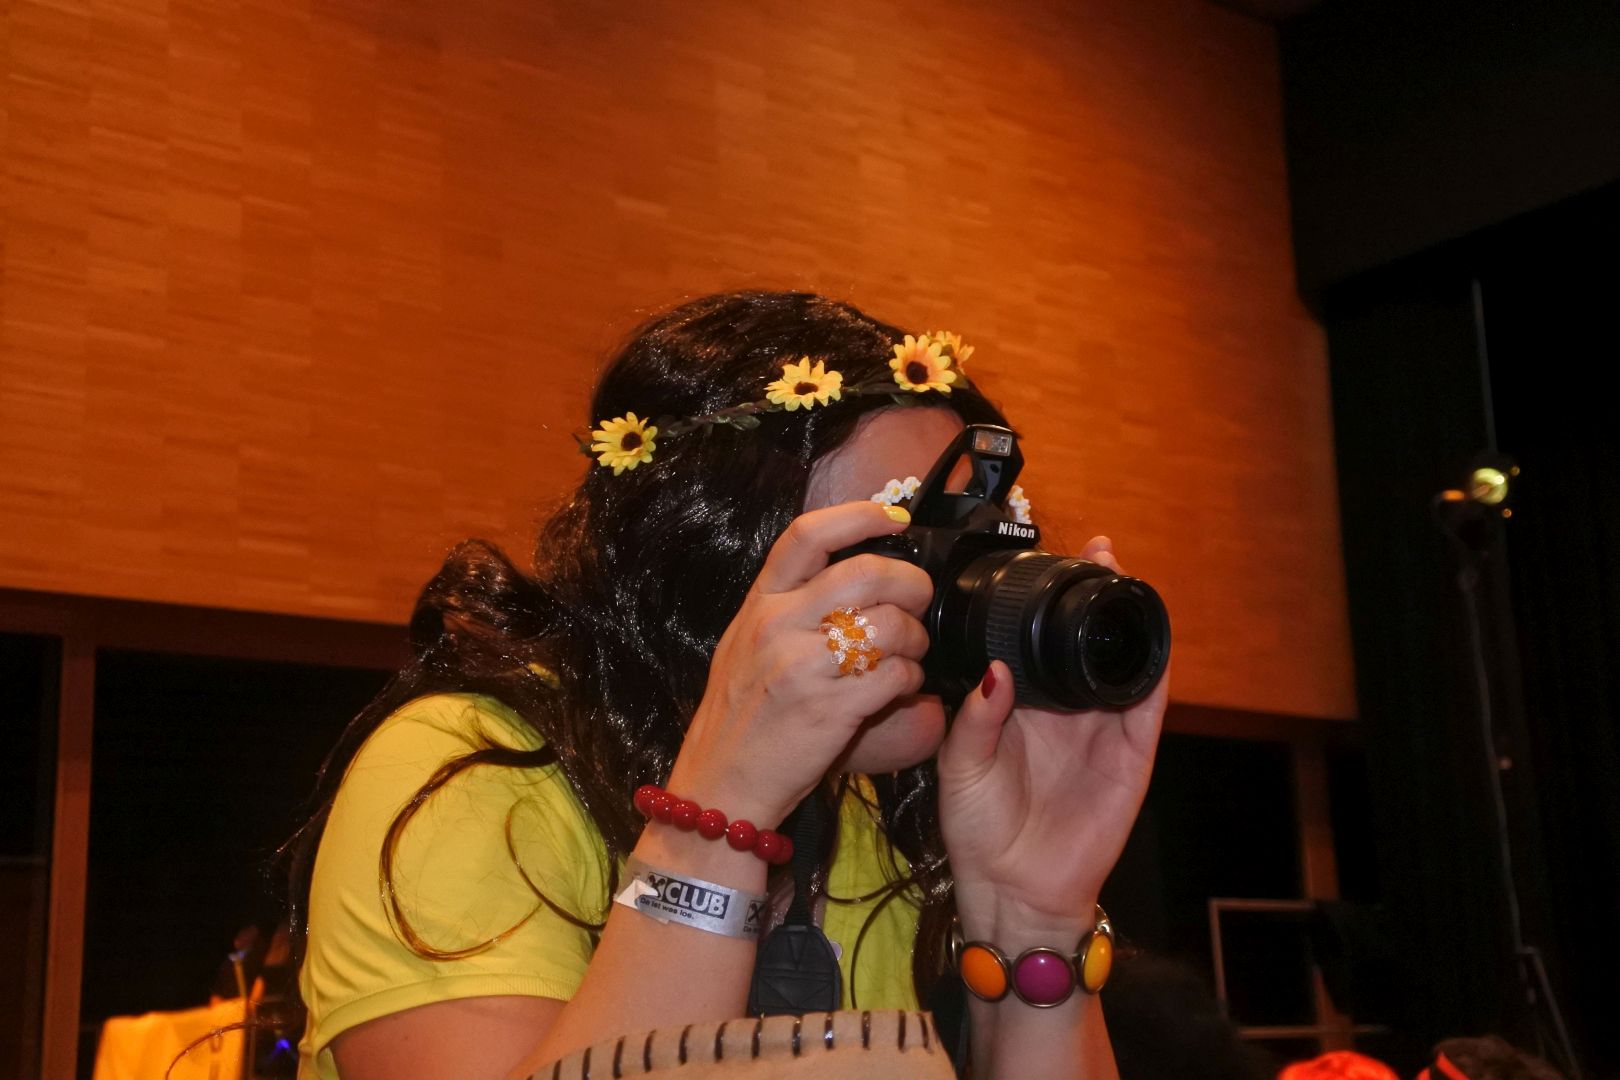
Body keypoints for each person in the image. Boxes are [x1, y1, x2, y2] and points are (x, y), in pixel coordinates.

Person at [286, 291, 1168, 1079]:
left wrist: (1031, 915)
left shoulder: (877, 811)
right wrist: (718, 817)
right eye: (899, 552)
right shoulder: (475, 770)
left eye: (972, 547)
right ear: (712, 573)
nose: (938, 605)